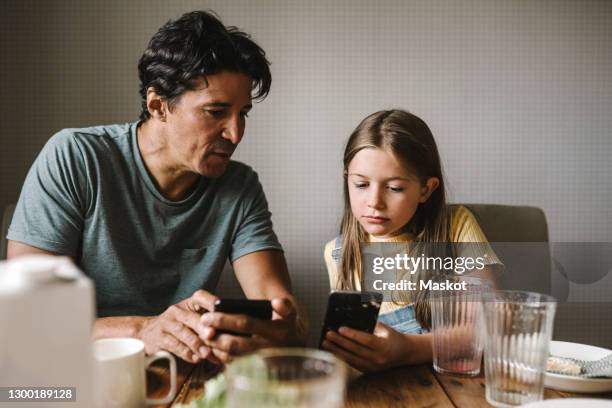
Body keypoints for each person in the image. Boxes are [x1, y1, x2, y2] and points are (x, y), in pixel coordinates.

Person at [7, 10, 306, 364]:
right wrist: (141, 330)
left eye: (243, 113)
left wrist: (277, 332)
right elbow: (27, 317)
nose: (236, 133)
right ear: (158, 105)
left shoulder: (239, 187)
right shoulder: (74, 157)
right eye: (216, 112)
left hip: (181, 377)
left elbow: (287, 314)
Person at [321, 109, 502, 372]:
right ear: (346, 179)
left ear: (426, 190)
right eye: (360, 184)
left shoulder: (457, 226)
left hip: (453, 382)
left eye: (394, 188)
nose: (374, 202)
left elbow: (488, 326)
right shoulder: (337, 252)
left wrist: (407, 349)